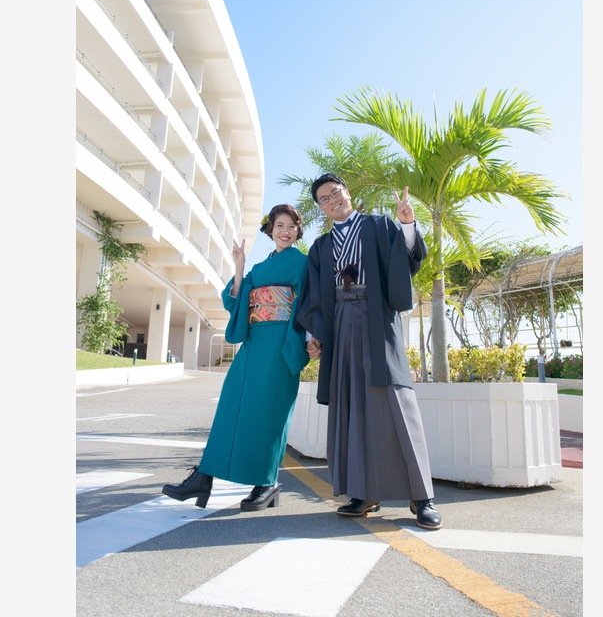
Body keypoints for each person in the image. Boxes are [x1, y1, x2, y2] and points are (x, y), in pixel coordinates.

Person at [294, 174, 442, 529]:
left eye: (335, 193)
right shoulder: (321, 247)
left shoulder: (379, 226)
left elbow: (407, 261)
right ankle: (363, 492)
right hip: (341, 321)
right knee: (352, 405)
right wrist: (314, 334)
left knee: (396, 401)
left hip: (378, 318)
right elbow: (314, 296)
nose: (332, 201)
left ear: (348, 193)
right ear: (321, 209)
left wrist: (407, 225)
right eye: (324, 200)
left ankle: (422, 497)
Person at [162, 204, 310, 511]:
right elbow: (237, 298)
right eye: (279, 225)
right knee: (231, 409)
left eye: (291, 226)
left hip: (281, 344)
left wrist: (309, 342)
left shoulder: (304, 264)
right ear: (270, 230)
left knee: (269, 414)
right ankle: (204, 477)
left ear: (297, 231)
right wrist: (240, 267)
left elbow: (311, 305)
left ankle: (267, 483)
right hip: (254, 344)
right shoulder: (259, 268)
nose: (285, 231)